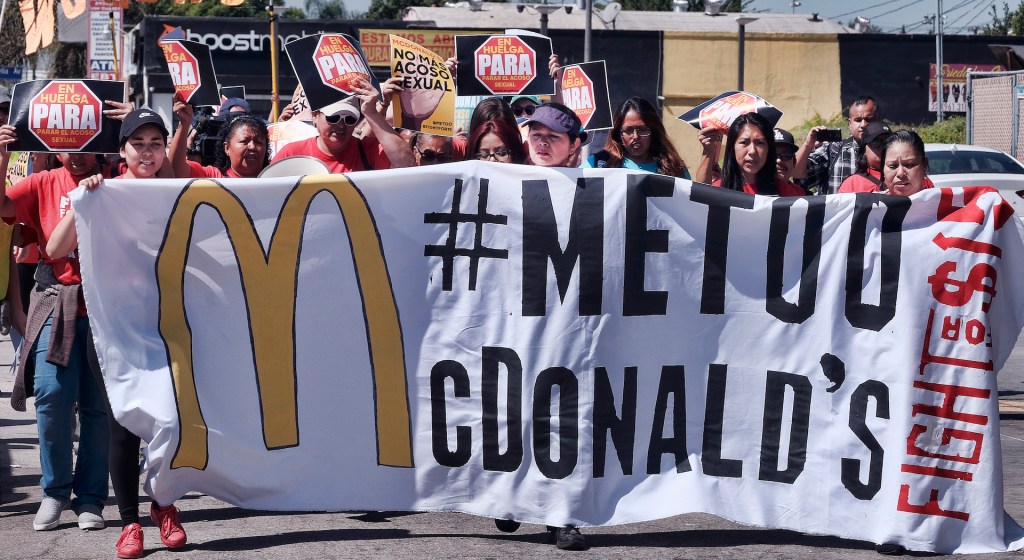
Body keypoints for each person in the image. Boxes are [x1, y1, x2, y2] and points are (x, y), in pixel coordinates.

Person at [51, 109, 190, 559]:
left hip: (168, 328)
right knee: (123, 426)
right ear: (122, 150)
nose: (147, 152)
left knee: (171, 421)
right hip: (112, 331)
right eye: (138, 143)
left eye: (155, 143)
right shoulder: (101, 192)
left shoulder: (178, 194)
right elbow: (55, 250)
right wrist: (82, 201)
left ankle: (163, 502)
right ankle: (131, 522)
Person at [0, 133, 110, 534]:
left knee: (99, 404)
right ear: (54, 147)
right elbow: (4, 207)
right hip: (55, 298)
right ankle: (55, 491)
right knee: (52, 392)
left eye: (87, 147)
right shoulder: (43, 182)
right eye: (68, 147)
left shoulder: (118, 177)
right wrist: (1, 156)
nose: (77, 157)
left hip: (106, 305)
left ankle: (92, 498)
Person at [272, 78, 414, 173]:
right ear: (315, 116)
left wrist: (371, 112)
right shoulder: (291, 153)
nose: (341, 125)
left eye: (350, 119)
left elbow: (407, 163)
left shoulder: (367, 150)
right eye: (333, 117)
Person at [699, 112, 805, 196]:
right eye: (744, 142)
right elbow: (700, 195)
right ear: (732, 148)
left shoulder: (789, 195)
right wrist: (708, 151)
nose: (752, 151)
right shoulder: (717, 192)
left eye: (760, 143)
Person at [584, 96, 690, 179]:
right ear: (618, 133)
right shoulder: (599, 163)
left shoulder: (673, 168)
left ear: (653, 131)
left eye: (642, 129)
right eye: (629, 130)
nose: (635, 136)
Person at [171, 99, 270, 179]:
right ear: (226, 148)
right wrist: (184, 123)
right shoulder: (213, 177)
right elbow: (176, 170)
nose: (252, 146)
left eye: (258, 142)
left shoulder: (276, 177)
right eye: (244, 141)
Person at [801, 95, 879, 195]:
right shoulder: (833, 150)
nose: (863, 125)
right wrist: (808, 145)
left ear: (878, 121)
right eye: (858, 120)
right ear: (849, 123)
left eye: (869, 119)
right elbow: (799, 177)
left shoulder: (889, 151)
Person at [523, 102, 586, 169]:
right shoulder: (513, 177)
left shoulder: (589, 179)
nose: (542, 142)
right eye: (537, 135)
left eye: (553, 136)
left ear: (573, 145)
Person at [837, 122, 892, 194]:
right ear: (864, 150)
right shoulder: (853, 183)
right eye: (876, 142)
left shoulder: (902, 177)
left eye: (887, 142)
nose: (882, 147)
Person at [880, 129, 931, 197]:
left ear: (924, 166)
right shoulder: (870, 206)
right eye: (892, 166)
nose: (900, 173)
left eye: (909, 165)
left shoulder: (939, 205)